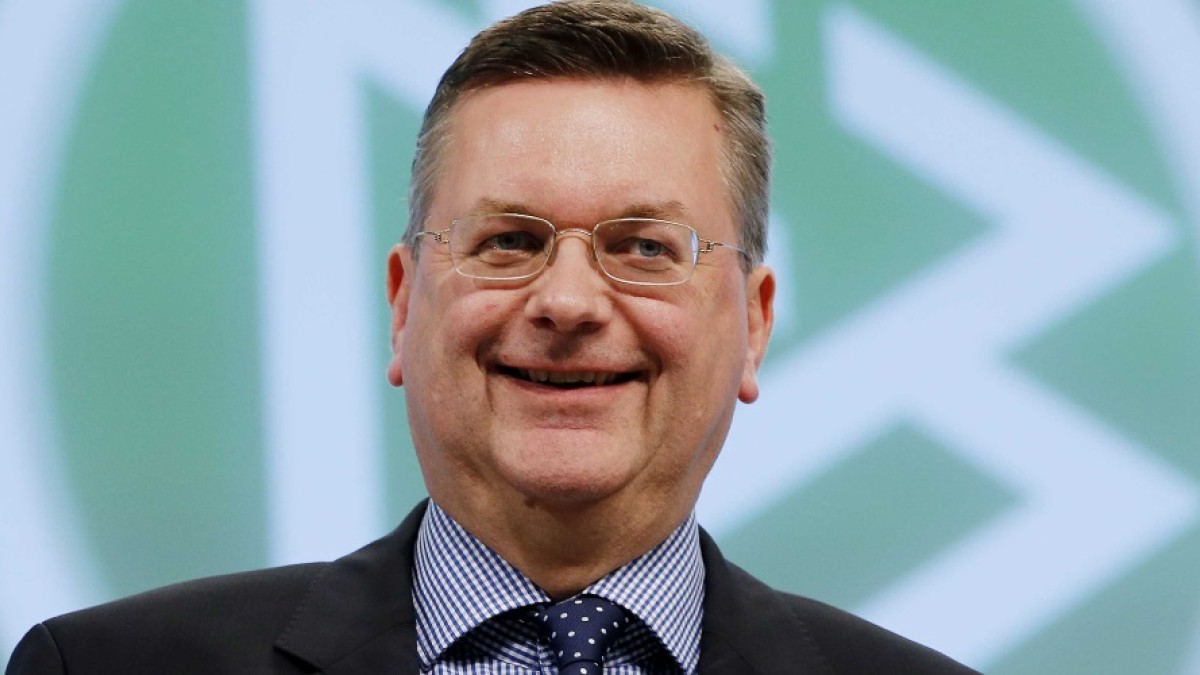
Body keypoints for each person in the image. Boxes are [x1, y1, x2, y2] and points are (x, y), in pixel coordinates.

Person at [7, 1, 978, 673]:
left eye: (643, 247)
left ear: (754, 323)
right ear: (404, 305)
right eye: (509, 241)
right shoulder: (103, 667)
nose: (568, 301)